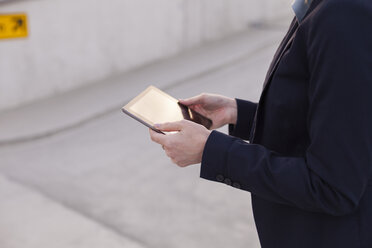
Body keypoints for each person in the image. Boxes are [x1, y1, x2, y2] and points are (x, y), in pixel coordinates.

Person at [149, 0, 372, 247]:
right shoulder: (324, 8)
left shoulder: (345, 14)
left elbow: (333, 186)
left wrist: (211, 150)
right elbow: (334, 123)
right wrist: (239, 113)